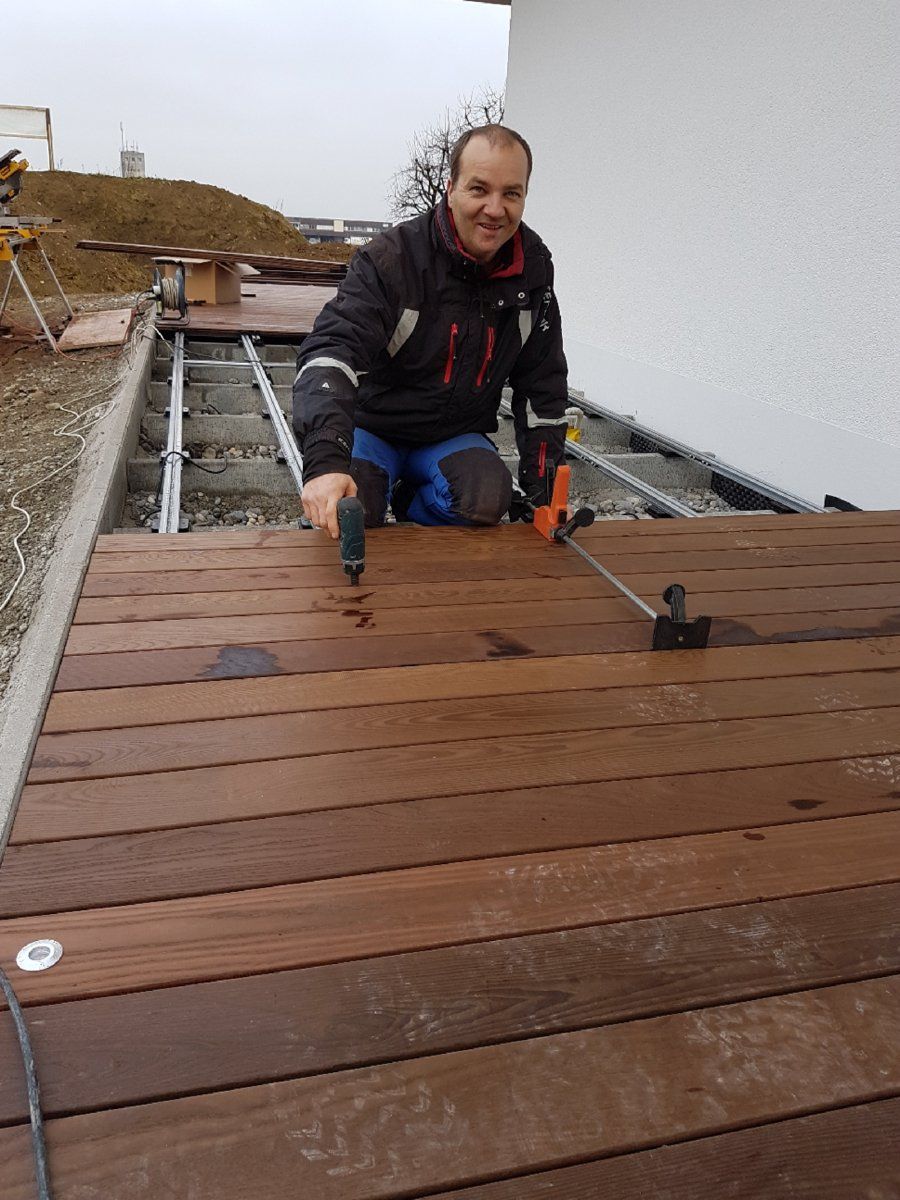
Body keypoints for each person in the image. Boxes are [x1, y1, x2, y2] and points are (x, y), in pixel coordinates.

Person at [292, 123, 569, 539]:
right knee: (349, 510)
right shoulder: (391, 260)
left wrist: (543, 495)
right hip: (374, 427)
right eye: (479, 189)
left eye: (511, 193)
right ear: (450, 187)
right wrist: (326, 461)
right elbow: (332, 352)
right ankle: (377, 489)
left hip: (452, 435)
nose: (495, 209)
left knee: (487, 498)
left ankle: (407, 500)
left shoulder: (532, 270)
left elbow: (542, 385)